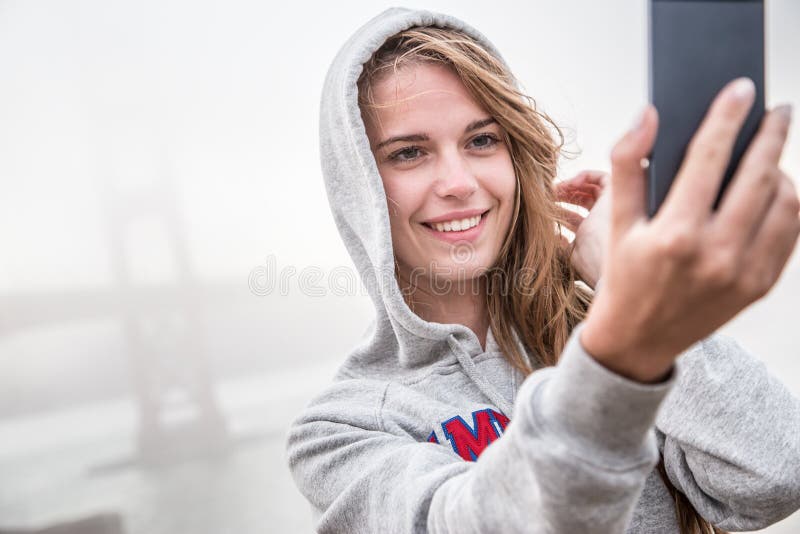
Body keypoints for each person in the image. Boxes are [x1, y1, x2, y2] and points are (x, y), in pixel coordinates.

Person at [285, 7, 800, 533]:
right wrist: (620, 357)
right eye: (409, 152)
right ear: (360, 189)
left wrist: (629, 297)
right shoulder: (339, 430)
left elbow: (773, 477)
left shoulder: (602, 325)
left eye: (481, 140)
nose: (458, 182)